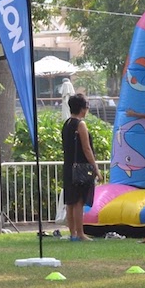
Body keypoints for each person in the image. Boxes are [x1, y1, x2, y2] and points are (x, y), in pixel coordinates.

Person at [61, 94, 97, 241]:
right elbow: (86, 148)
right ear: (83, 108)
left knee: (70, 201)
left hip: (68, 166)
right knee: (79, 201)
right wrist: (96, 168)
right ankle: (80, 233)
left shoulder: (67, 123)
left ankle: (73, 233)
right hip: (80, 167)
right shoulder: (80, 125)